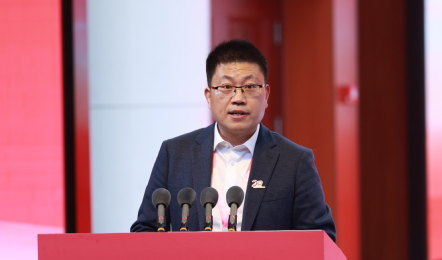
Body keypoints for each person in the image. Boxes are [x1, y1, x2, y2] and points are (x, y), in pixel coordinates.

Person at [130, 39, 336, 241]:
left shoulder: (294, 161)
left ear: (266, 95)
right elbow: (145, 230)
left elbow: (320, 240)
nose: (238, 98)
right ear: (209, 96)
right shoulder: (175, 154)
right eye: (226, 87)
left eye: (250, 86)